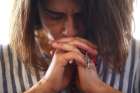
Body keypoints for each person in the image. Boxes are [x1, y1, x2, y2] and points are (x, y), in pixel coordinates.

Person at [0, 0, 139, 93]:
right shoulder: (3, 62)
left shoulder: (136, 58)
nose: (71, 31)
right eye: (55, 16)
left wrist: (99, 89)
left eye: (83, 16)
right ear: (34, 12)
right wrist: (46, 86)